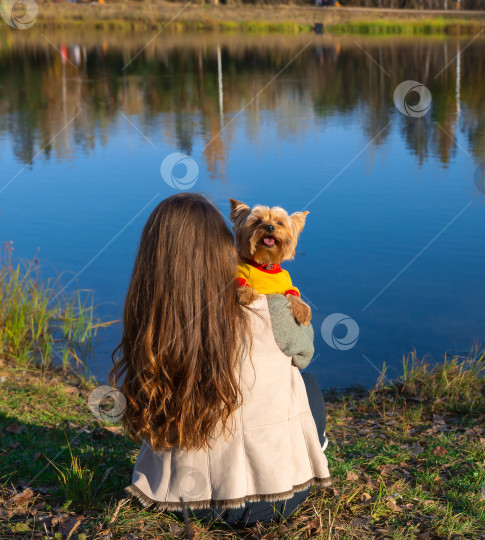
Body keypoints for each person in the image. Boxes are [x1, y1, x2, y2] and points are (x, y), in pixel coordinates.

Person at [109, 193, 330, 527]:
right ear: (222, 246)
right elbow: (306, 353)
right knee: (307, 383)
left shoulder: (148, 319)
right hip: (262, 504)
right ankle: (304, 451)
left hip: (171, 497)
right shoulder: (271, 308)